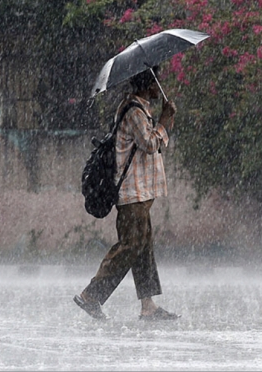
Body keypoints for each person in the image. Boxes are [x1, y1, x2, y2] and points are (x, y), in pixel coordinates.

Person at [73, 66, 180, 321]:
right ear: (147, 84)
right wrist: (165, 122)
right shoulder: (133, 111)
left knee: (143, 246)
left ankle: (148, 306)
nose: (159, 87)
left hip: (141, 193)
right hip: (132, 193)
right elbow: (150, 144)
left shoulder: (139, 108)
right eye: (156, 82)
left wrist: (162, 120)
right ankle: (91, 296)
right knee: (130, 245)